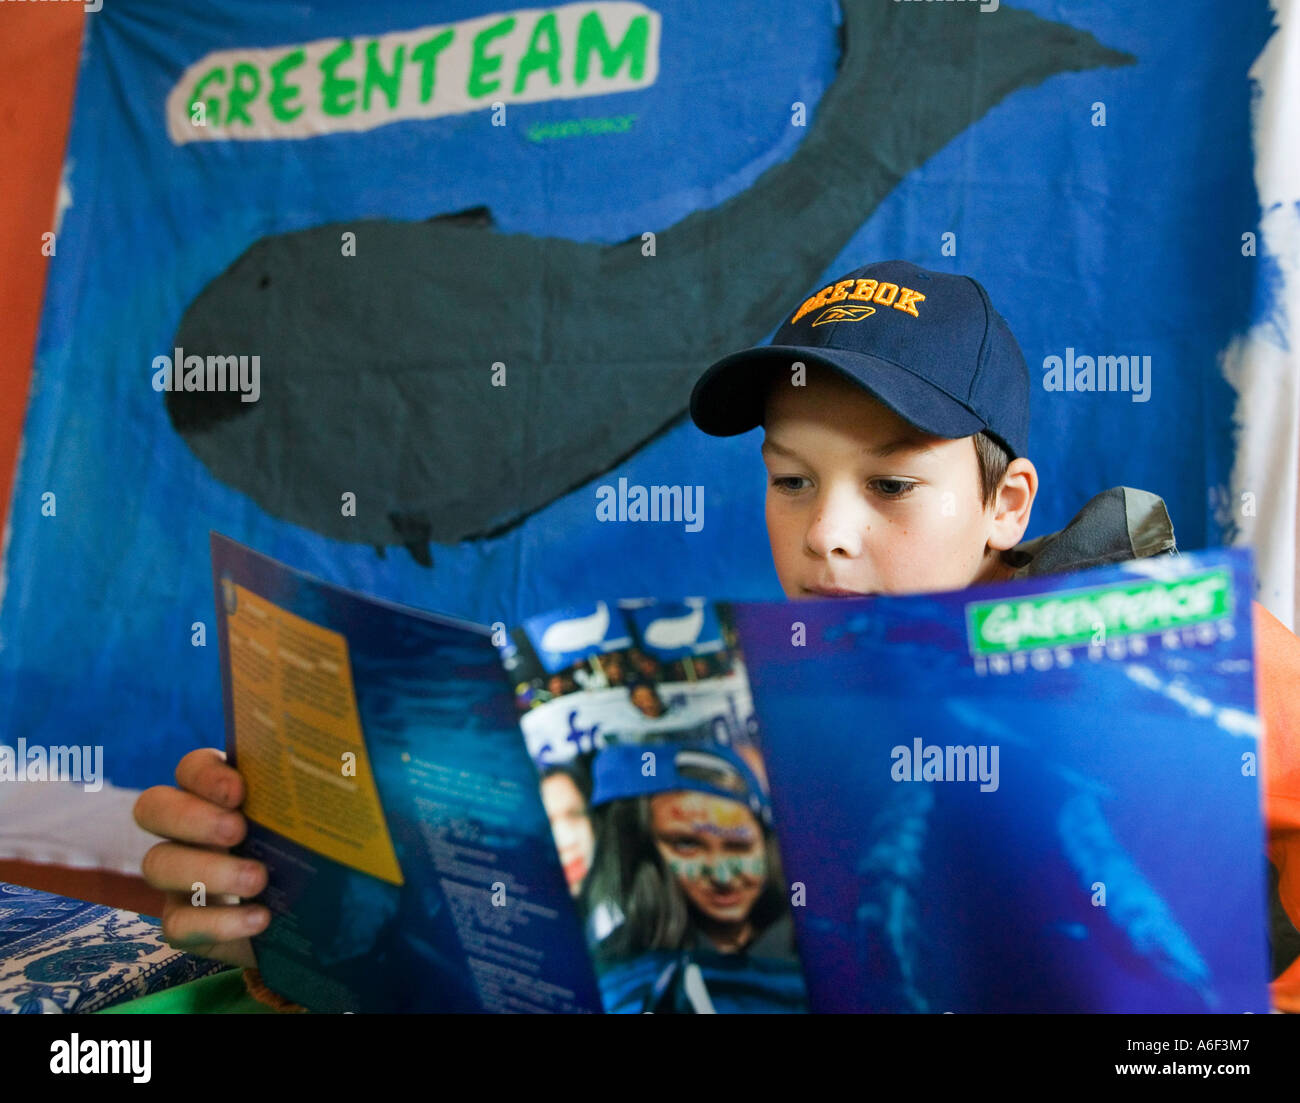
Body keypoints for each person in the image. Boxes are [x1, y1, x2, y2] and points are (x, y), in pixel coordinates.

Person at [134, 258, 1300, 1010]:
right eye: (790, 480)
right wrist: (294, 935)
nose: (826, 537)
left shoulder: (1202, 665)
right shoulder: (725, 699)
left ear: (1007, 503)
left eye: (890, 487)